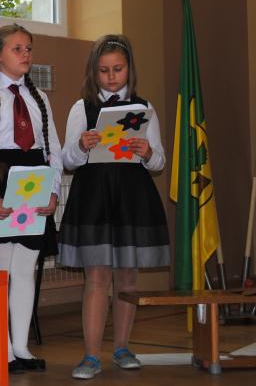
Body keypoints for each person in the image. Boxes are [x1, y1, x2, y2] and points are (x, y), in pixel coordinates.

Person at [59, 34, 170, 379]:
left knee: (128, 277)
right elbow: (67, 159)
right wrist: (81, 145)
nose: (110, 77)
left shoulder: (144, 107)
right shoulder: (82, 108)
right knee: (96, 277)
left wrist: (147, 153)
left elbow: (159, 161)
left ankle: (122, 347)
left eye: (117, 69)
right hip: (94, 197)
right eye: (103, 70)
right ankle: (91, 355)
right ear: (93, 72)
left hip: (131, 198)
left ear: (129, 70)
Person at [0, 24, 62, 374]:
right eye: (17, 49)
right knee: (0, 270)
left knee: (25, 269)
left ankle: (21, 346)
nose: (25, 55)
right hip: (0, 184)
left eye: (28, 49)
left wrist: (53, 191)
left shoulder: (40, 99)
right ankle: (2, 349)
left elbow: (53, 150)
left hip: (33, 183)